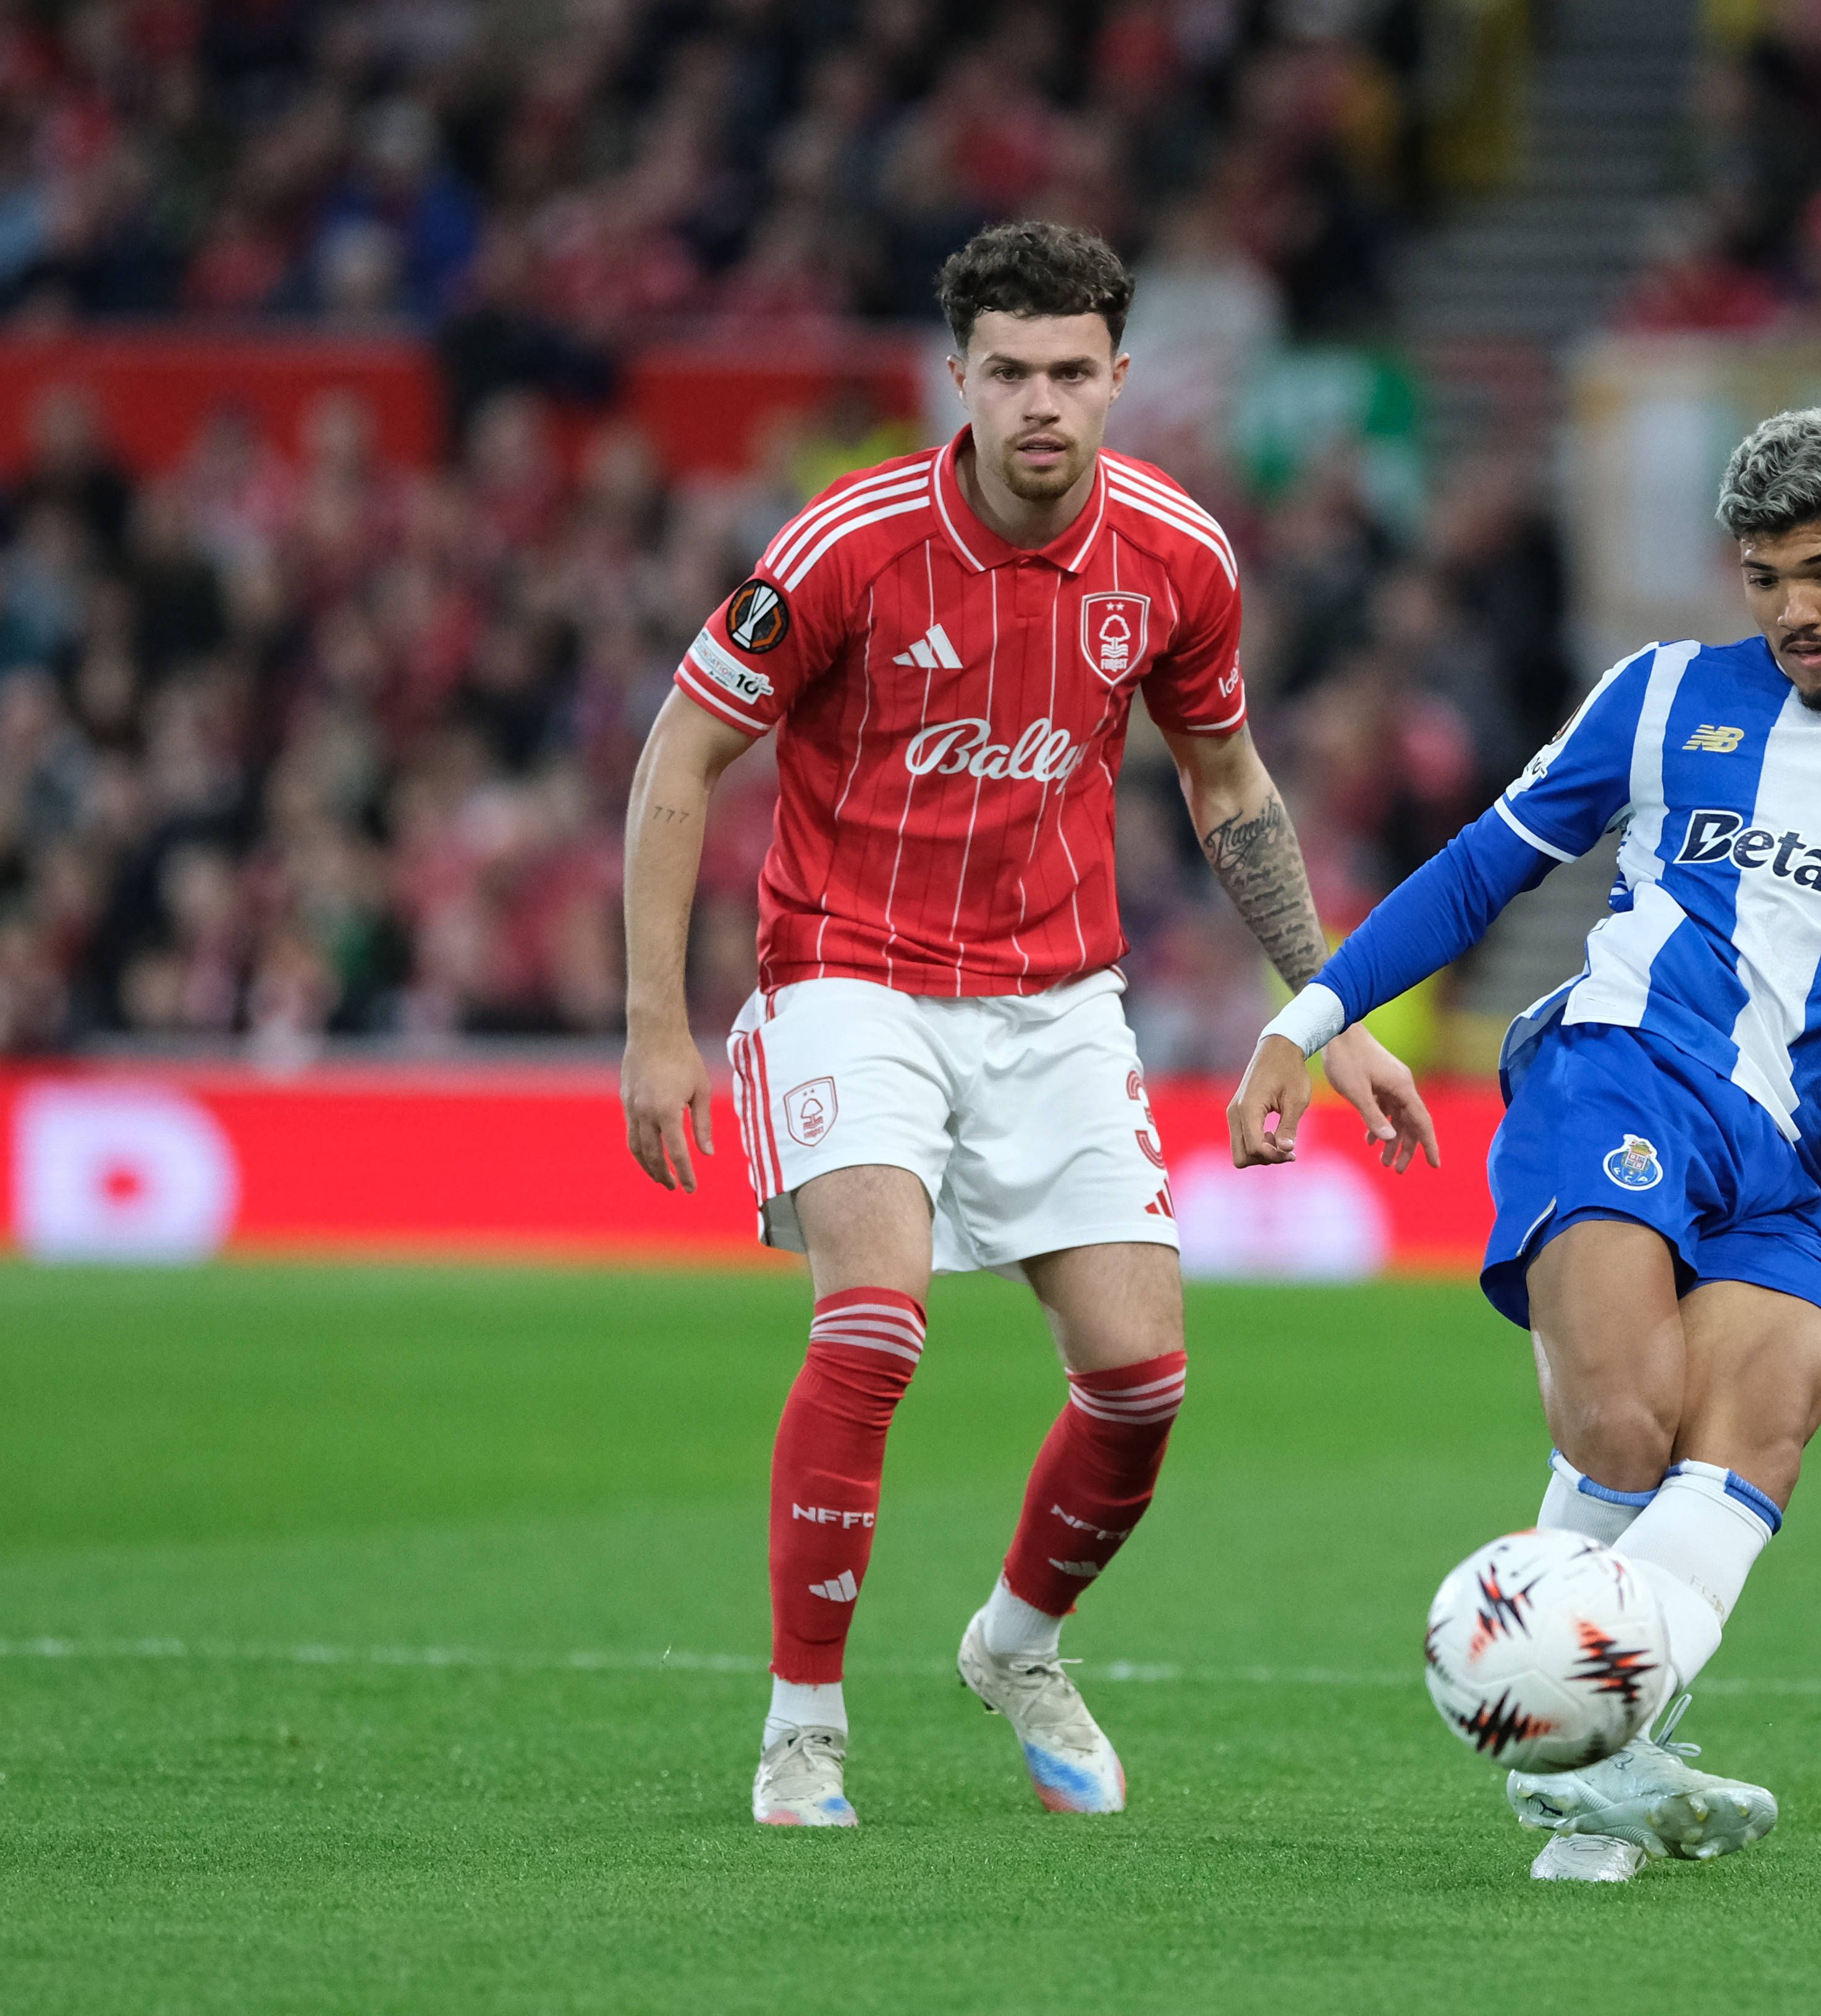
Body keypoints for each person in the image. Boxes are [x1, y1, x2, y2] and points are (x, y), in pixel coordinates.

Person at [619, 220, 1434, 1829]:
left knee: (1139, 1383)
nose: (1041, 403)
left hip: (1055, 993)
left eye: (1071, 372)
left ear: (1119, 379)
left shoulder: (1179, 559)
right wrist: (657, 1022)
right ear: (960, 380)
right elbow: (674, 759)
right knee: (874, 1323)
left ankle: (1016, 1642)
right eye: (1009, 372)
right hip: (846, 971)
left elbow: (1228, 787)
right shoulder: (844, 546)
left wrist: (1328, 1008)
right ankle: (803, 1731)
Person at [1227, 408, 1821, 1881]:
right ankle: (1586, 1762)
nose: (1793, 611)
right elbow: (1484, 865)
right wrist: (1307, 1021)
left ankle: (1587, 1772)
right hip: (1620, 1074)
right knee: (1620, 1426)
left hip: (1793, 1165)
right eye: (1762, 580)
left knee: (1756, 1437)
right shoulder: (1665, 695)